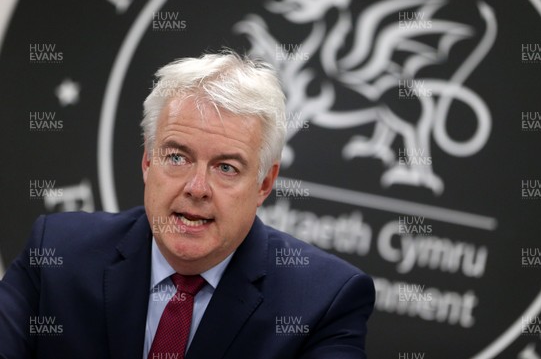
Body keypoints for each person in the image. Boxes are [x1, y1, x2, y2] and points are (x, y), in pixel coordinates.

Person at [0, 50, 376, 358]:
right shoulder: (56, 254)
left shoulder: (324, 302)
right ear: (148, 162)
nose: (197, 188)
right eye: (177, 158)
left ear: (264, 183)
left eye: (226, 167)